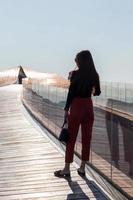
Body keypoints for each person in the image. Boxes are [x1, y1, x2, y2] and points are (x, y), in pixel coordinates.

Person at [54, 50, 101, 177]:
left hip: (76, 107)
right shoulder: (94, 75)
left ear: (80, 61)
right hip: (88, 107)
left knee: (71, 139)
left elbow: (71, 93)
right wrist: (89, 88)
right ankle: (82, 168)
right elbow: (97, 93)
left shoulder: (75, 74)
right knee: (87, 139)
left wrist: (66, 109)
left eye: (76, 60)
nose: (76, 63)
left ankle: (66, 169)